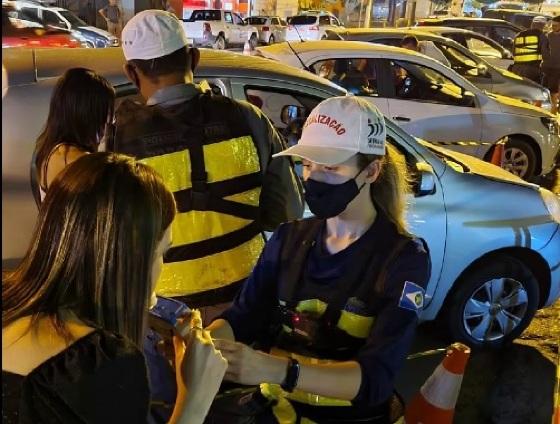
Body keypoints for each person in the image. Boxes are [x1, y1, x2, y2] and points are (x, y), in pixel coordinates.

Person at [207, 96, 432, 423]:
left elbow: (376, 380)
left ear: (371, 170)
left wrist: (277, 369)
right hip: (278, 408)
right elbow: (243, 316)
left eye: (331, 167)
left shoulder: (403, 259)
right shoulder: (289, 238)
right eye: (308, 165)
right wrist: (204, 342)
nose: (313, 179)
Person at [2, 153, 227, 424]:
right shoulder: (99, 364)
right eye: (161, 252)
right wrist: (195, 400)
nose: (161, 267)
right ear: (130, 260)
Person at [112, 10, 304, 323]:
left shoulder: (118, 143)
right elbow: (288, 213)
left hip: (166, 318)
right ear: (194, 58)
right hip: (249, 301)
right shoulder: (250, 120)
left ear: (132, 73)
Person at [32, 68, 115, 204]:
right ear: (86, 114)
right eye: (104, 113)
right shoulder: (76, 159)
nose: (108, 122)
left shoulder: (50, 151)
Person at [511, 16, 548, 83]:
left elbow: (513, 52)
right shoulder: (542, 36)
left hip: (517, 68)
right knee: (530, 89)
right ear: (543, 26)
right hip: (532, 70)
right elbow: (545, 55)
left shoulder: (519, 34)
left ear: (532, 25)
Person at [542, 15, 560, 114]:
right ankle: (552, 110)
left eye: (556, 25)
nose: (553, 27)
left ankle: (555, 110)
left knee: (555, 92)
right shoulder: (548, 36)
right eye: (552, 25)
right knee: (548, 91)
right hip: (548, 68)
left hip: (558, 68)